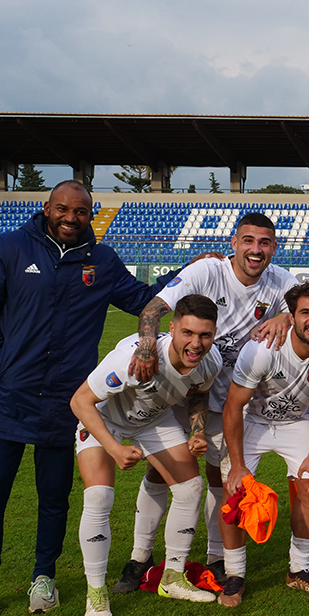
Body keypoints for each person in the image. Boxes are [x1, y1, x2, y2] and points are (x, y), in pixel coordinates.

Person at [0, 180, 179, 616]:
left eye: (80, 212)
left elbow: (140, 300)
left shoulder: (102, 260)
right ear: (47, 207)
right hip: (6, 398)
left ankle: (44, 577)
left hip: (66, 402)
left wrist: (188, 272)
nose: (71, 218)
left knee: (54, 495)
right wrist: (1, 362)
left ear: (90, 215)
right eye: (63, 209)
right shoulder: (8, 248)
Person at [118, 212, 294, 590]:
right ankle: (139, 557)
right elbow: (153, 309)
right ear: (234, 242)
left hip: (234, 403)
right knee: (158, 472)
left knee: (225, 480)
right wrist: (148, 346)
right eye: (248, 240)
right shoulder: (208, 271)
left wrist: (287, 315)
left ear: (274, 248)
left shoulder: (281, 281)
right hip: (184, 394)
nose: (256, 250)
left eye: (264, 243)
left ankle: (216, 557)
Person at [68, 295, 224, 616]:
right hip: (102, 418)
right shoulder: (131, 358)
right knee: (98, 496)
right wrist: (114, 448)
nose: (196, 344)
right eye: (188, 333)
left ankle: (173, 577)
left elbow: (197, 393)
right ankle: (96, 594)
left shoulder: (211, 362)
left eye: (205, 336)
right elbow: (80, 401)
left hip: (152, 419)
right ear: (172, 329)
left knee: (191, 488)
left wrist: (196, 432)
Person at [219, 282, 309, 606]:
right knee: (234, 491)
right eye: (305, 312)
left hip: (297, 422)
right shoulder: (262, 349)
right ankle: (234, 575)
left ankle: (299, 570)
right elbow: (234, 406)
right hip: (253, 421)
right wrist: (237, 465)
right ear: (290, 317)